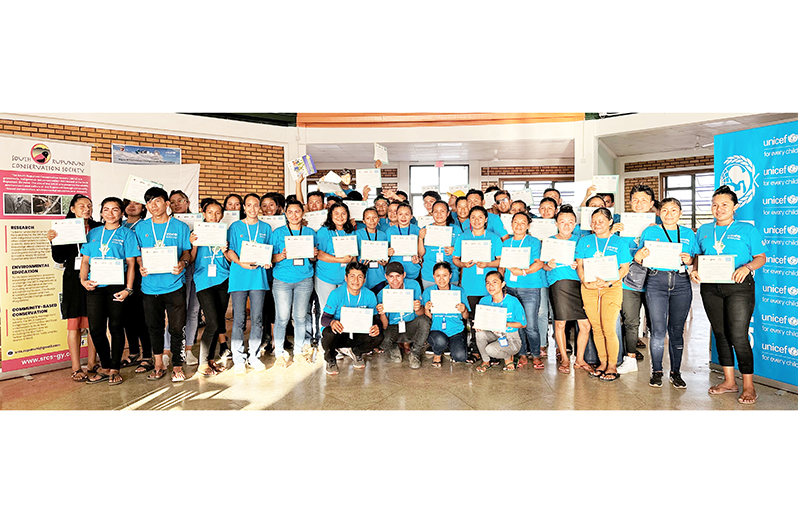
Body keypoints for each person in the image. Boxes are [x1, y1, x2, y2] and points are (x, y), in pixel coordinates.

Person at [692, 185, 766, 405]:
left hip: (739, 287)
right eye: (715, 205)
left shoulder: (747, 229)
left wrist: (748, 267)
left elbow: (761, 257)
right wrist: (694, 269)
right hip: (711, 288)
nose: (719, 208)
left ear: (735, 206)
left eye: (724, 204)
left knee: (739, 336)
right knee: (720, 333)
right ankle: (729, 382)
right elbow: (698, 255)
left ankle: (749, 385)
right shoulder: (704, 230)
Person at [634, 198, 696, 388]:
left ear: (680, 213)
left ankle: (676, 372)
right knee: (658, 331)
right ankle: (657, 371)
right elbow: (638, 257)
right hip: (656, 282)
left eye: (674, 210)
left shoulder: (688, 233)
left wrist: (690, 260)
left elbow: (695, 260)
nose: (669, 214)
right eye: (665, 210)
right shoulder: (650, 231)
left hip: (681, 284)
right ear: (659, 213)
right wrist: (639, 256)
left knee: (677, 331)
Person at [79, 197, 140, 385]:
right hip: (95, 286)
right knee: (96, 329)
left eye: (115, 209)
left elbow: (131, 264)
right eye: (106, 209)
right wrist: (83, 280)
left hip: (116, 286)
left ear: (121, 213)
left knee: (115, 327)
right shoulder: (93, 234)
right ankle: (104, 366)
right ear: (101, 212)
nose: (110, 213)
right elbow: (85, 261)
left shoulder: (128, 234)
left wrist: (128, 289)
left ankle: (115, 368)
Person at [135, 187, 193, 382]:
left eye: (157, 201)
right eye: (149, 202)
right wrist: (141, 265)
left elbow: (186, 252)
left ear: (167, 203)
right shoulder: (140, 228)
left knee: (177, 328)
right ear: (146, 206)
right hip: (149, 287)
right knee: (154, 327)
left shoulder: (180, 227)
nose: (154, 205)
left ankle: (177, 365)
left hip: (175, 284)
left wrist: (182, 263)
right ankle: (158, 364)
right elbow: (137, 255)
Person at [47, 194, 100, 381]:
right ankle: (76, 367)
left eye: (90, 206)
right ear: (72, 209)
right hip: (72, 281)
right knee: (74, 324)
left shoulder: (98, 228)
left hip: (95, 278)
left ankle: (93, 363)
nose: (86, 209)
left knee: (95, 322)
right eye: (82, 206)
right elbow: (59, 258)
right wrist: (53, 240)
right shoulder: (63, 228)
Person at [575, 208, 631, 381]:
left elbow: (624, 268)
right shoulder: (585, 241)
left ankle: (612, 365)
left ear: (610, 222)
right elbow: (580, 265)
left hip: (611, 288)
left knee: (609, 327)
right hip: (589, 288)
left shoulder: (619, 242)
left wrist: (608, 283)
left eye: (600, 221)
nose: (596, 224)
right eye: (593, 221)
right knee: (597, 328)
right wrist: (585, 282)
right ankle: (603, 362)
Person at [225, 193, 272, 374]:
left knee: (258, 319)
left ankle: (254, 356)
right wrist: (240, 263)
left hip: (258, 279)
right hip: (239, 277)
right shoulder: (235, 227)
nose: (252, 208)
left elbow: (268, 252)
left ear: (259, 207)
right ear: (244, 208)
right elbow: (229, 252)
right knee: (238, 320)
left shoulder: (266, 228)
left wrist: (268, 261)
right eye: (249, 205)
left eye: (256, 205)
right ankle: (238, 358)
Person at [613, 184, 657, 373]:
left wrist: (658, 232)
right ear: (630, 202)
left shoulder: (661, 222)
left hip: (654, 278)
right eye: (635, 200)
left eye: (644, 200)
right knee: (630, 320)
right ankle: (629, 358)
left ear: (651, 203)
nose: (639, 204)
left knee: (656, 322)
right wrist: (611, 230)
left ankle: (657, 364)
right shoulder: (618, 221)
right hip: (628, 277)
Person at [543, 205, 592, 373]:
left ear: (575, 224)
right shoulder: (550, 240)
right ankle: (564, 358)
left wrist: (579, 264)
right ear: (556, 223)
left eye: (570, 222)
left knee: (585, 325)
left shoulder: (581, 240)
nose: (566, 225)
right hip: (559, 284)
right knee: (560, 323)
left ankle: (580, 359)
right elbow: (544, 266)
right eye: (562, 222)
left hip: (580, 284)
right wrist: (549, 265)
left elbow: (587, 263)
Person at [452, 206, 503, 362]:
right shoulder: (463, 237)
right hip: (470, 284)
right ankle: (475, 350)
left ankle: (493, 352)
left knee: (492, 319)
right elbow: (455, 259)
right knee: (474, 319)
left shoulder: (494, 237)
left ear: (486, 219)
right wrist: (463, 264)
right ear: (469, 220)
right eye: (473, 217)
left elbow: (501, 260)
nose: (476, 220)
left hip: (490, 286)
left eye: (480, 217)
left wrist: (487, 264)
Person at [271, 200, 317, 366]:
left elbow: (313, 258)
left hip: (304, 279)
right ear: (285, 214)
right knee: (282, 318)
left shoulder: (310, 232)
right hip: (282, 280)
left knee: (299, 317)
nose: (294, 215)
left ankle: (298, 351)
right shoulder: (278, 233)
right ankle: (279, 354)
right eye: (290, 212)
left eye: (297, 212)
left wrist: (313, 254)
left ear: (302, 213)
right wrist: (281, 255)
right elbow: (271, 258)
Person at [189, 199, 230, 376]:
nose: (214, 216)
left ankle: (211, 360)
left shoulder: (225, 233)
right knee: (212, 321)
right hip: (204, 281)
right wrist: (193, 245)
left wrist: (225, 250)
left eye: (218, 212)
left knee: (218, 320)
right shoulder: (196, 233)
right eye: (210, 212)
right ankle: (202, 363)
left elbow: (230, 259)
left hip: (223, 279)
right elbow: (190, 259)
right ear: (203, 214)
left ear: (222, 215)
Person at [500, 211, 546, 369]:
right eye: (515, 222)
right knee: (516, 322)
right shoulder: (506, 243)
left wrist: (523, 272)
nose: (518, 226)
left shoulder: (533, 242)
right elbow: (502, 265)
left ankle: (536, 355)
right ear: (511, 224)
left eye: (522, 223)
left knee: (531, 324)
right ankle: (522, 354)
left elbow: (539, 263)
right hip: (510, 288)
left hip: (530, 287)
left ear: (528, 225)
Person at [321, 262, 384, 374]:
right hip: (340, 333)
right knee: (328, 333)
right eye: (352, 276)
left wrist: (377, 326)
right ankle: (330, 360)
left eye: (360, 277)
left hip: (359, 333)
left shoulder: (369, 295)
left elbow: (376, 319)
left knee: (378, 336)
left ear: (364, 279)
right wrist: (332, 323)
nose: (356, 280)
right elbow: (324, 319)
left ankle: (357, 352)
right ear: (346, 278)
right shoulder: (336, 294)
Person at [376, 262, 431, 369]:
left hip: (411, 325)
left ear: (404, 275)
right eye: (391, 277)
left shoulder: (413, 285)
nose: (395, 280)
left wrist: (418, 308)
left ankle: (415, 352)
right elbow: (385, 326)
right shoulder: (382, 294)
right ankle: (393, 347)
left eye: (398, 276)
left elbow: (421, 313)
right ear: (386, 277)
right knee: (382, 340)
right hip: (393, 328)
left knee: (425, 321)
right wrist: (382, 314)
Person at [168, 189, 201, 365]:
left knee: (193, 311)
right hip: (175, 271)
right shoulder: (167, 224)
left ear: (187, 202)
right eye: (172, 202)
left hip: (197, 269)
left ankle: (188, 349)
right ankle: (169, 351)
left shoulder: (199, 221)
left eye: (180, 200)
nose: (176, 204)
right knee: (175, 313)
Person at [120, 199, 152, 372]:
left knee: (141, 317)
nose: (132, 206)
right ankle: (133, 352)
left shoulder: (145, 226)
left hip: (140, 275)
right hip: (118, 276)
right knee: (126, 317)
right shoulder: (120, 225)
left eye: (137, 203)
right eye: (129, 203)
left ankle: (147, 355)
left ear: (143, 208)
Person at [474, 271, 527, 372]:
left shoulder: (513, 301)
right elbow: (481, 321)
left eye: (495, 282)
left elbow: (523, 324)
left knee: (490, 349)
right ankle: (486, 361)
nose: (491, 286)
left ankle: (508, 358)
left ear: (502, 284)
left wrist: (504, 324)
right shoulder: (484, 301)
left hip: (511, 338)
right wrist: (479, 324)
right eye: (488, 283)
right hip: (494, 335)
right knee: (479, 334)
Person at [422, 262, 470, 366]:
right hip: (436, 330)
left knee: (460, 357)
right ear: (433, 276)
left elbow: (465, 317)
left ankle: (449, 345)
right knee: (440, 340)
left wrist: (464, 310)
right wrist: (426, 309)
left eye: (445, 275)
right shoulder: (428, 292)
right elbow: (427, 319)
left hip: (455, 330)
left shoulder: (459, 291)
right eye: (438, 276)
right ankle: (437, 353)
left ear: (450, 276)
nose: (441, 279)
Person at [315, 202, 358, 315]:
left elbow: (353, 255)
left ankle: (340, 333)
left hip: (344, 277)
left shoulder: (350, 231)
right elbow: (319, 254)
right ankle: (325, 332)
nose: (340, 217)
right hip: (326, 277)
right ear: (330, 215)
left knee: (343, 309)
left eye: (343, 213)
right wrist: (341, 260)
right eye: (336, 213)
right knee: (327, 308)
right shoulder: (324, 231)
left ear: (348, 215)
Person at [535, 197, 559, 356]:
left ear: (556, 210)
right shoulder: (534, 228)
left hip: (558, 275)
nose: (546, 211)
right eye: (542, 208)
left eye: (550, 208)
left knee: (557, 311)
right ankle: (542, 343)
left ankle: (559, 345)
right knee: (542, 311)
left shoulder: (560, 227)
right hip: (540, 275)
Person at [418, 200, 457, 290]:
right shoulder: (425, 229)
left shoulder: (456, 230)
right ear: (431, 213)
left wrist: (454, 250)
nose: (439, 214)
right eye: (436, 211)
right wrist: (420, 238)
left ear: (448, 213)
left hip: (451, 274)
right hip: (429, 273)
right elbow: (421, 254)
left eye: (442, 211)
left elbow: (463, 252)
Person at [385, 202, 421, 282]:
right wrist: (387, 252)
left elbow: (421, 251)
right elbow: (384, 251)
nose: (403, 217)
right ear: (396, 215)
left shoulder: (417, 230)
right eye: (400, 214)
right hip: (395, 271)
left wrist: (419, 259)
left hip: (413, 268)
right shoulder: (390, 231)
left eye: (407, 214)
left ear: (411, 216)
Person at [356, 207, 389, 291]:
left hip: (379, 276)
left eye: (374, 218)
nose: (372, 221)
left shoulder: (383, 235)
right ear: (363, 221)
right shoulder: (357, 234)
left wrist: (385, 262)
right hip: (362, 276)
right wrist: (358, 262)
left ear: (378, 219)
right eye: (368, 218)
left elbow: (386, 254)